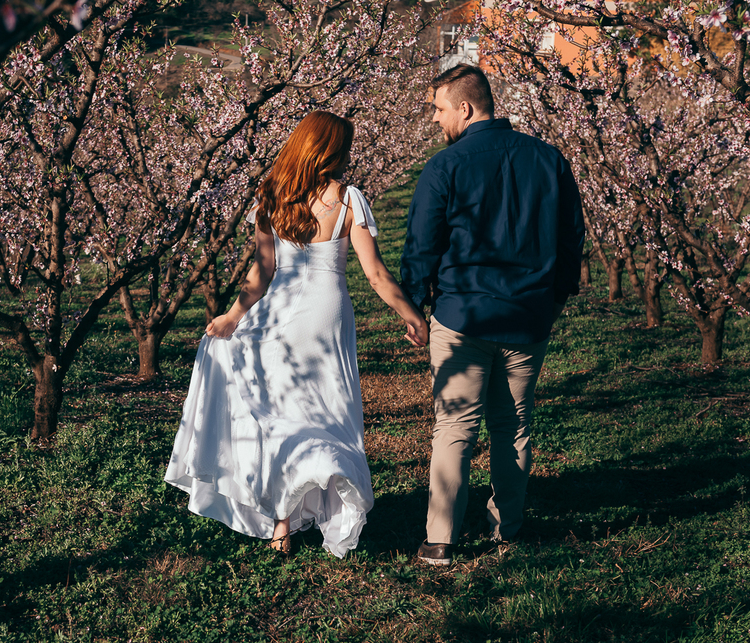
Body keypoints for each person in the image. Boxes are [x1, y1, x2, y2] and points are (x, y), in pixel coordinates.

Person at [166, 110, 428, 556]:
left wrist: (231, 317)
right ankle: (327, 489)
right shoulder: (348, 200)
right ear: (330, 150)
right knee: (329, 408)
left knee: (282, 415)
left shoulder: (272, 197)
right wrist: (412, 315)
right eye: (343, 147)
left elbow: (263, 270)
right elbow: (377, 275)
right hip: (326, 314)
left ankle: (282, 526)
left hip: (278, 313)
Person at [401, 64, 585, 567]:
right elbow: (571, 239)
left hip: (464, 315)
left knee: (454, 427)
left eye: (440, 109)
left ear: (465, 107)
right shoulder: (549, 159)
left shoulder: (445, 167)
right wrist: (556, 297)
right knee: (515, 425)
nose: (437, 121)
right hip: (528, 315)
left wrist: (414, 303)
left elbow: (422, 245)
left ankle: (440, 539)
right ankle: (509, 526)